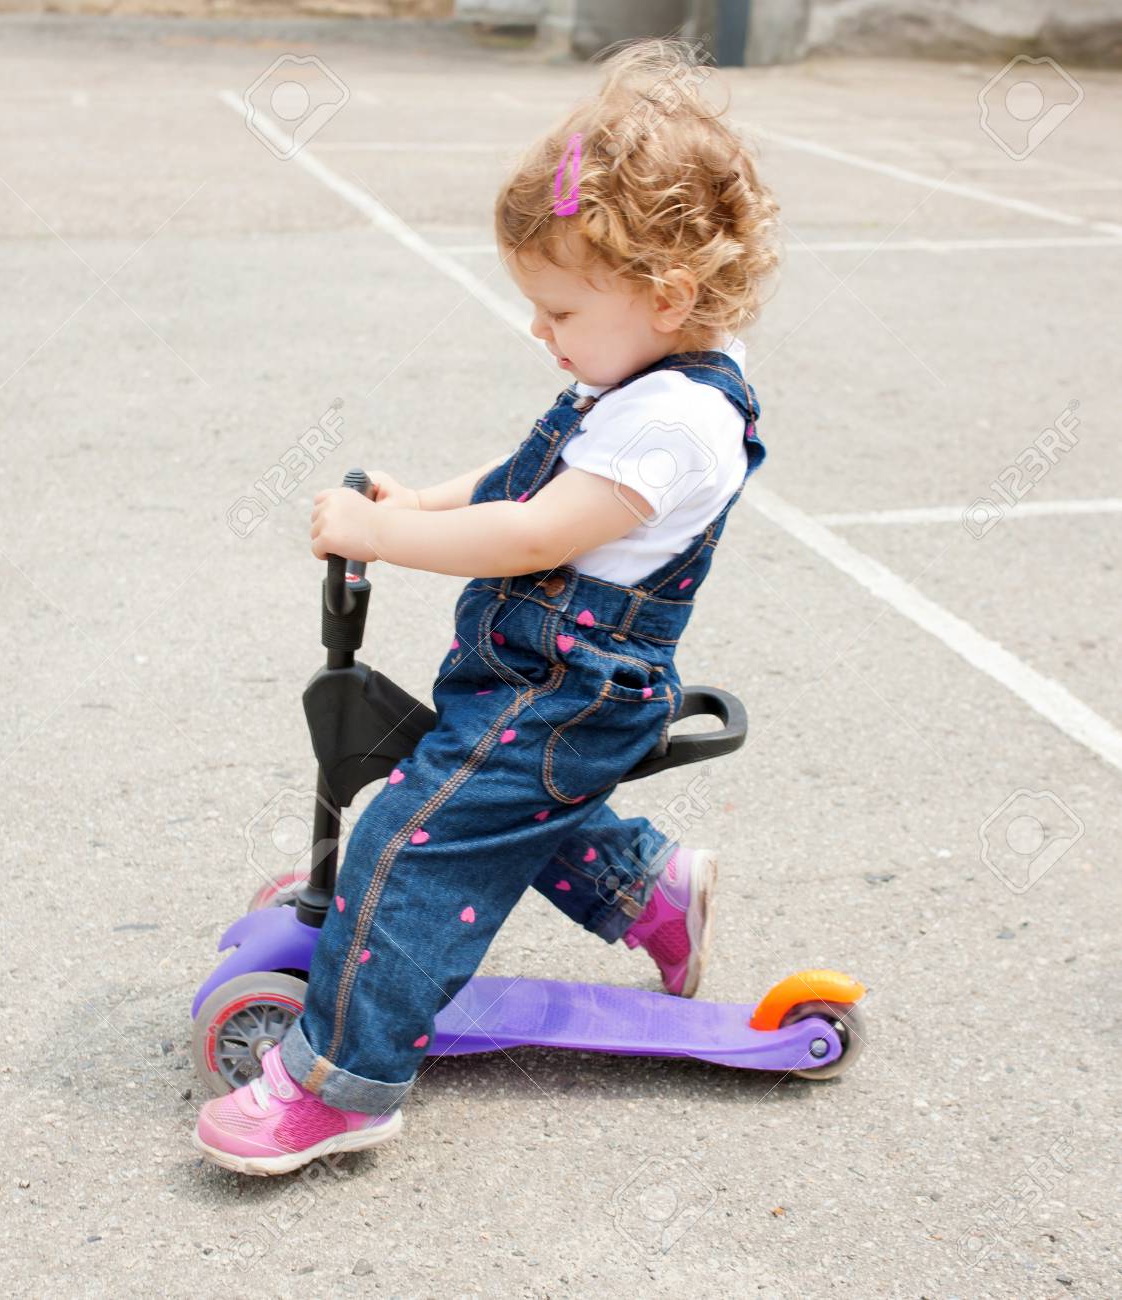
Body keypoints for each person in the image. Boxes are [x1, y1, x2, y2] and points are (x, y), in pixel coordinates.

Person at [195, 37, 779, 1177]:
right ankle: (647, 888)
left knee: (410, 841)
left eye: (557, 308)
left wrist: (382, 536)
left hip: (566, 692)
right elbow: (526, 482)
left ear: (664, 295)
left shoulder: (678, 422)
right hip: (535, 679)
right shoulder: (635, 375)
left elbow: (533, 535)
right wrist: (422, 498)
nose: (539, 332)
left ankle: (339, 1087)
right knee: (473, 797)